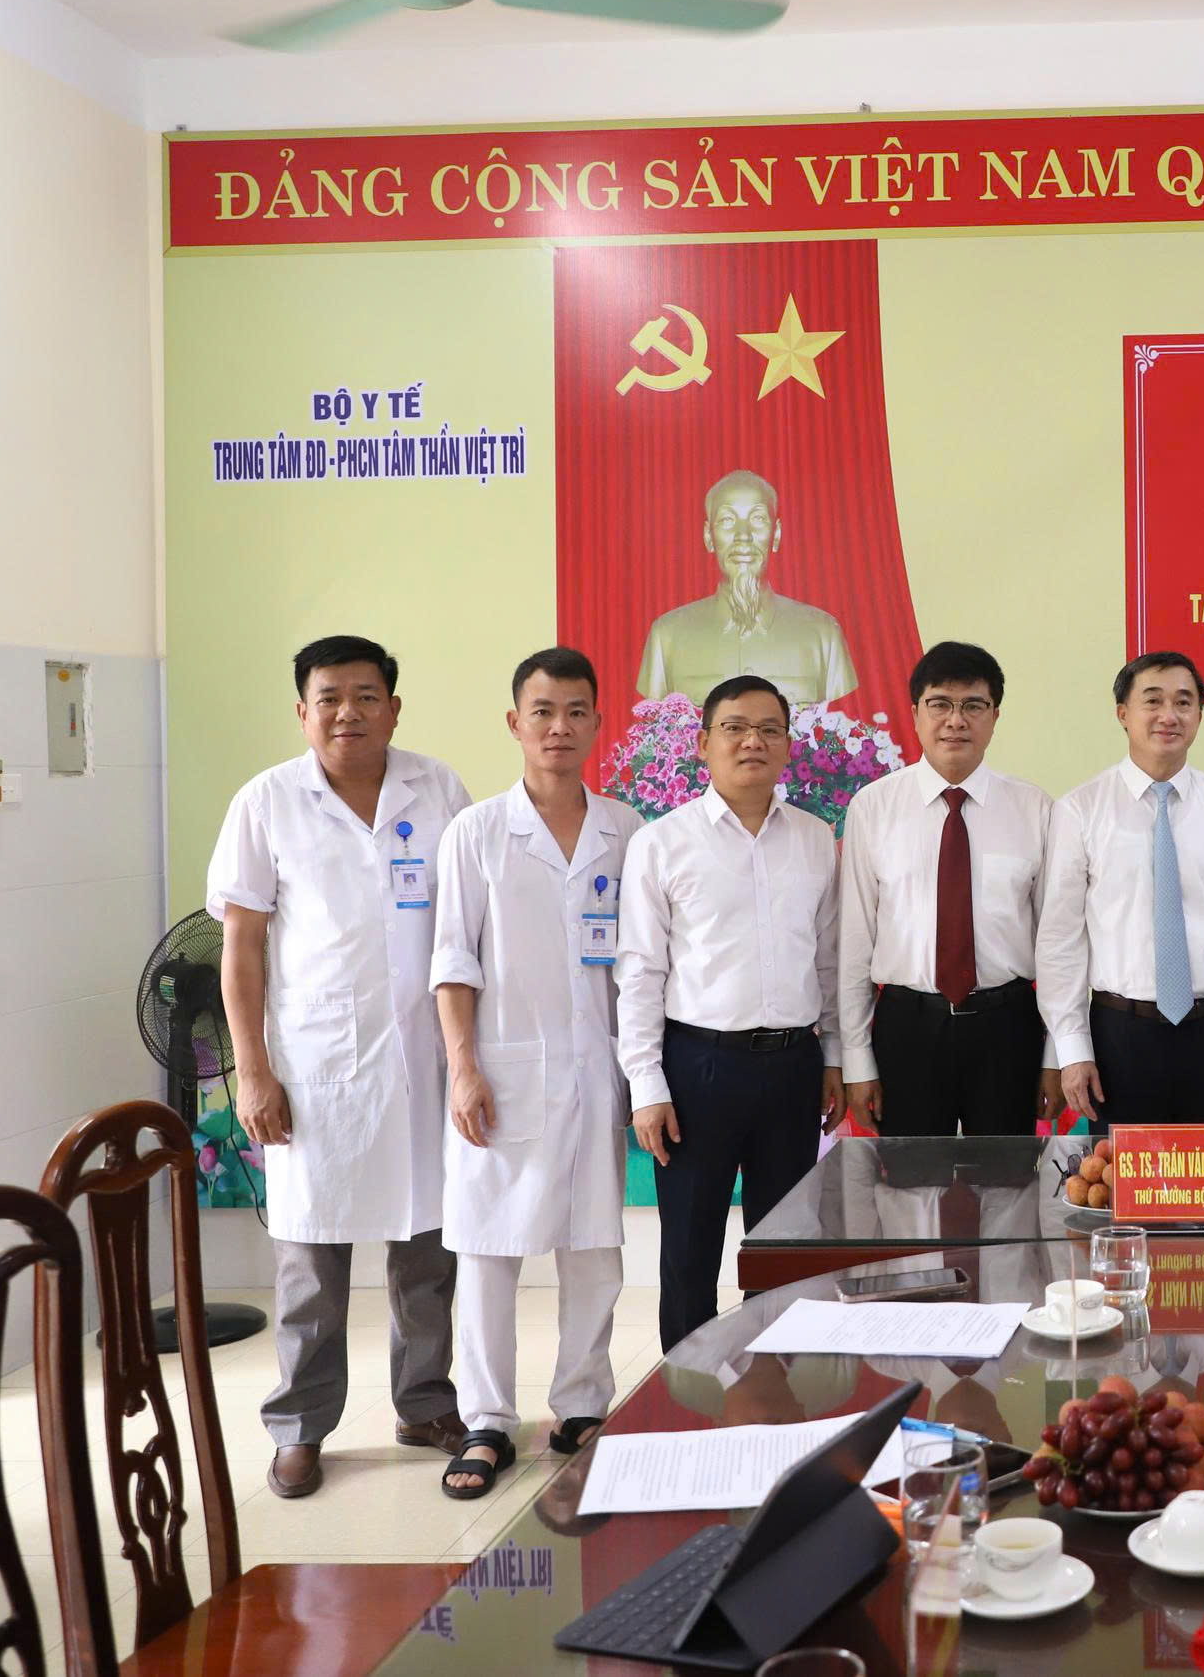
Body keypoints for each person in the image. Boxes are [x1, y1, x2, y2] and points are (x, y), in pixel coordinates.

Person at [208, 635, 472, 1500]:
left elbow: (469, 926)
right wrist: (252, 1070)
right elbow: (241, 949)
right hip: (315, 1064)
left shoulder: (439, 789)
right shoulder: (267, 802)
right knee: (311, 1266)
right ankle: (300, 1427)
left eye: (366, 695)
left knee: (427, 1252)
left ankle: (425, 1404)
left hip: (424, 1059)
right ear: (303, 711)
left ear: (394, 708)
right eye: (329, 697)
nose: (348, 712)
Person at [428, 648, 640, 1499]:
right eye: (542, 711)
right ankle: (486, 1419)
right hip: (503, 1070)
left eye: (576, 711)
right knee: (488, 1250)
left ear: (597, 723)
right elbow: (452, 961)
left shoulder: (626, 830)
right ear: (515, 722)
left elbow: (642, 966)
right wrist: (462, 1067)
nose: (559, 727)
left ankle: (582, 1406)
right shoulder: (476, 832)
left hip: (597, 1069)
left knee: (594, 1248)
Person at [617, 675, 843, 1349]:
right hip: (698, 1068)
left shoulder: (815, 839)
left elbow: (829, 960)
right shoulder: (662, 842)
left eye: (770, 729)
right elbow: (640, 972)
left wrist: (833, 1058)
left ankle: (776, 1382)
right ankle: (688, 1389)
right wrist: (646, 1084)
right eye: (735, 728)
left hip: (793, 1066)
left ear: (788, 745)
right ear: (703, 743)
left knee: (782, 1250)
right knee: (690, 1252)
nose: (753, 741)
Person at [1037, 651, 1204, 1125]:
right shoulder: (1080, 810)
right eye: (1153, 701)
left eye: (1183, 702)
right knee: (1123, 1173)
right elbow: (1060, 940)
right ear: (1123, 713)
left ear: (1199, 716)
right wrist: (1073, 1049)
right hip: (1119, 1036)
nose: (1169, 715)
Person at [838, 641, 1057, 1139]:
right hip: (907, 1026)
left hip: (1007, 1026)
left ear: (995, 717)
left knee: (1006, 1179)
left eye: (973, 705)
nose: (956, 721)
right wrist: (857, 1058)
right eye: (940, 704)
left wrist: (1056, 1054)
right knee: (911, 1180)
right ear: (915, 713)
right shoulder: (873, 808)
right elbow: (855, 941)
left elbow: (1056, 943)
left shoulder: (1035, 809)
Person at [634, 469, 858, 709]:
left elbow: (841, 722)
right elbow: (653, 726)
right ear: (708, 536)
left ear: (776, 535)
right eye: (727, 520)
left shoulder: (823, 635)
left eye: (758, 519)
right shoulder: (667, 637)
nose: (743, 536)